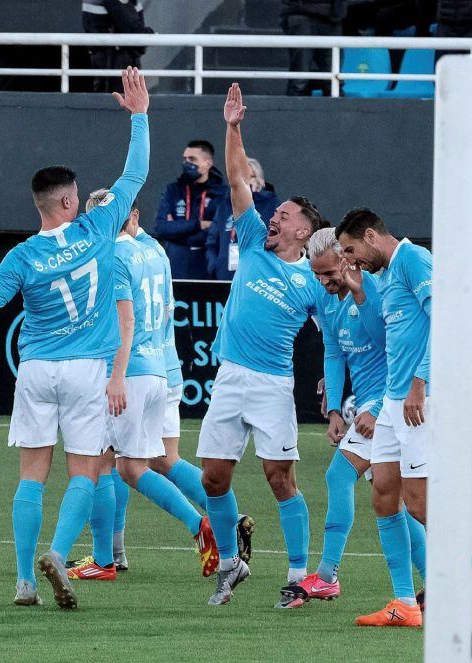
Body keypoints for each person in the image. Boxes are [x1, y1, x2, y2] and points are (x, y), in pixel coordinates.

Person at [0, 67, 151, 610]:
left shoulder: (21, 256)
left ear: (39, 205)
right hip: (86, 371)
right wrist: (140, 116)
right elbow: (135, 173)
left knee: (32, 476)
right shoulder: (99, 227)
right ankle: (57, 552)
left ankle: (23, 582)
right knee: (85, 470)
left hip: (35, 373)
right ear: (72, 201)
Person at [335, 208, 472, 625]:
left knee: (420, 504)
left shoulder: (414, 259)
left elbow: (448, 319)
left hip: (422, 400)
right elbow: (389, 335)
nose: (350, 258)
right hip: (394, 402)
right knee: (382, 493)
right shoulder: (383, 275)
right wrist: (360, 292)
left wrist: (420, 382)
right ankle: (404, 604)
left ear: (371, 235)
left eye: (351, 249)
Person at [197, 83, 325, 607]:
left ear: (306, 231)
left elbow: (339, 333)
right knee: (212, 477)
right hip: (231, 376)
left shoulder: (315, 279)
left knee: (279, 478)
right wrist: (232, 127)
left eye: (287, 215)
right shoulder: (252, 241)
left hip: (273, 384)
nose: (276, 217)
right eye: (277, 213)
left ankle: (298, 578)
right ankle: (231, 562)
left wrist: (336, 382)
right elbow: (236, 180)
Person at [66, 191, 219, 583]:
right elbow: (167, 309)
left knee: (110, 463)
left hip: (130, 371)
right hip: (161, 366)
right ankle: (222, 519)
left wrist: (114, 376)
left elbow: (124, 321)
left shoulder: (112, 258)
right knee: (158, 460)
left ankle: (111, 556)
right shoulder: (153, 250)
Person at [279, 227, 428, 609]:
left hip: (388, 405)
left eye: (329, 273)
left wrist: (377, 409)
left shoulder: (376, 288)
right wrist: (332, 410)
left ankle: (327, 576)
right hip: (367, 406)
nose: (323, 282)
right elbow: (332, 351)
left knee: (341, 476)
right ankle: (433, 582)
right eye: (317, 275)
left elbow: (390, 346)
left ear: (346, 260)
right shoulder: (325, 299)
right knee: (394, 496)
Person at [153, 140, 227, 280]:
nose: (186, 163)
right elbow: (161, 228)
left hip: (207, 263)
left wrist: (178, 229)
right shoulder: (173, 191)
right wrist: (199, 225)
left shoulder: (222, 193)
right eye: (185, 158)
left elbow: (220, 231)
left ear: (208, 163)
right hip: (176, 262)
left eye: (192, 159)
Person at [206, 158, 282, 281]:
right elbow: (212, 241)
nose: (242, 182)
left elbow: (279, 241)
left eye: (247, 176)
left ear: (258, 180)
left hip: (258, 276)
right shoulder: (224, 205)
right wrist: (214, 266)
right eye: (238, 177)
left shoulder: (271, 204)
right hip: (225, 274)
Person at [81, 0, 153, 93]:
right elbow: (131, 28)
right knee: (119, 100)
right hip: (114, 60)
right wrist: (151, 34)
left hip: (114, 60)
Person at [281, 0, 346, 96]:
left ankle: (336, 109)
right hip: (302, 15)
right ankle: (293, 108)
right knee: (300, 80)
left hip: (332, 18)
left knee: (334, 81)